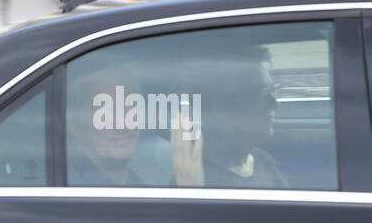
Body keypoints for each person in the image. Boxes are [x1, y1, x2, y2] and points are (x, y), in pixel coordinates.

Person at [171, 45, 289, 188]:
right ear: (218, 107)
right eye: (262, 93)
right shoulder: (194, 180)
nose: (274, 104)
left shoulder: (265, 162)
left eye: (273, 90)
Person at [66, 66, 143, 186]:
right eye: (105, 111)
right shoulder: (77, 194)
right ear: (73, 124)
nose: (122, 125)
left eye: (129, 107)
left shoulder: (136, 181)